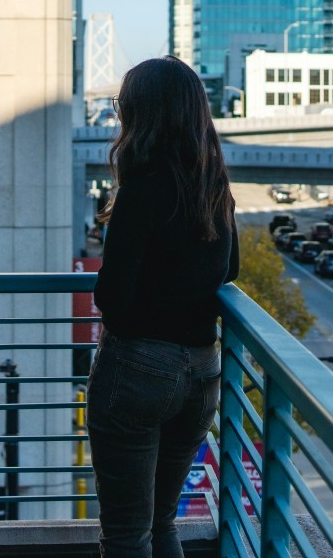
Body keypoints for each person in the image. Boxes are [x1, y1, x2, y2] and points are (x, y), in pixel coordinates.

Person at [88, 56, 240, 558]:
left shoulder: (142, 190)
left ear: (142, 114)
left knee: (127, 534)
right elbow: (231, 268)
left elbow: (112, 298)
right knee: (162, 524)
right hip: (202, 371)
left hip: (139, 369)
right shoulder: (214, 186)